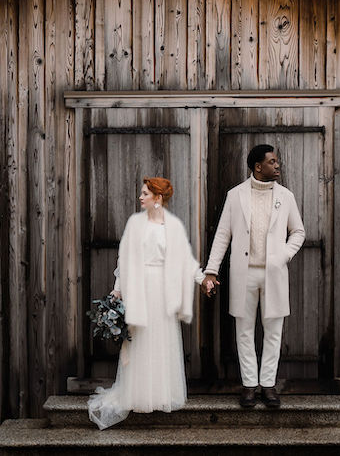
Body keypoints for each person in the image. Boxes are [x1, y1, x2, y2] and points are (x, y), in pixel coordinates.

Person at [88, 177, 205, 429]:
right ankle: (137, 394)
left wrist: (202, 279)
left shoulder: (172, 227)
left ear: (158, 198)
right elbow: (124, 257)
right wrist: (117, 290)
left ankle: (161, 394)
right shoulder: (135, 224)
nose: (140, 197)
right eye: (141, 193)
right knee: (140, 340)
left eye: (145, 194)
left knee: (160, 340)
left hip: (162, 291)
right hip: (139, 288)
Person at [201, 144, 305, 408]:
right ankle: (249, 385)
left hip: (274, 273)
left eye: (277, 161)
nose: (278, 165)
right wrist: (211, 271)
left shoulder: (286, 196)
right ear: (258, 167)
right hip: (243, 274)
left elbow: (298, 232)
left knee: (273, 331)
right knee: (244, 331)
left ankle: (268, 385)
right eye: (272, 161)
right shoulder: (235, 196)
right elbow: (223, 234)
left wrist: (283, 255)